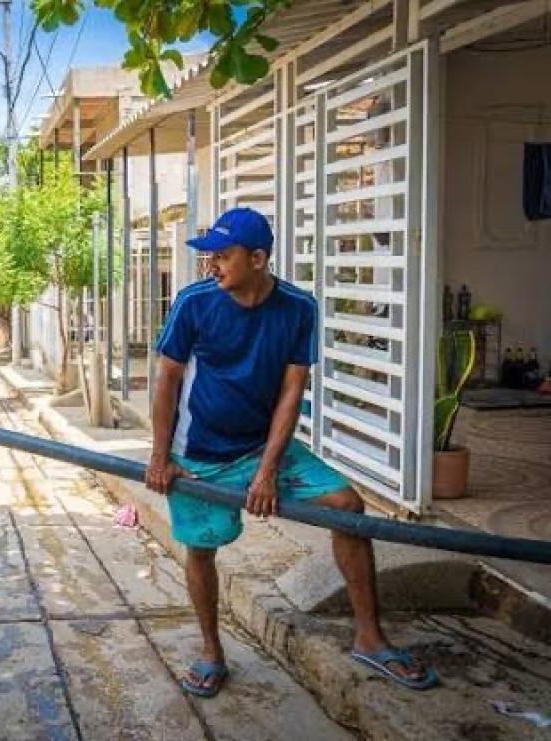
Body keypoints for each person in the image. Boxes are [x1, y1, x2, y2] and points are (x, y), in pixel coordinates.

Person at [144, 207, 437, 698]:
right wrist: (159, 456)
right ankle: (212, 652)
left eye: (223, 256)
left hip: (262, 447)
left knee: (347, 507)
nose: (211, 265)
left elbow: (290, 391)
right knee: (202, 546)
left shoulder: (299, 308)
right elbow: (167, 380)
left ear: (258, 258)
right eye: (209, 256)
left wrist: (268, 469)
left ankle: (370, 637)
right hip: (198, 456)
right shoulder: (194, 303)